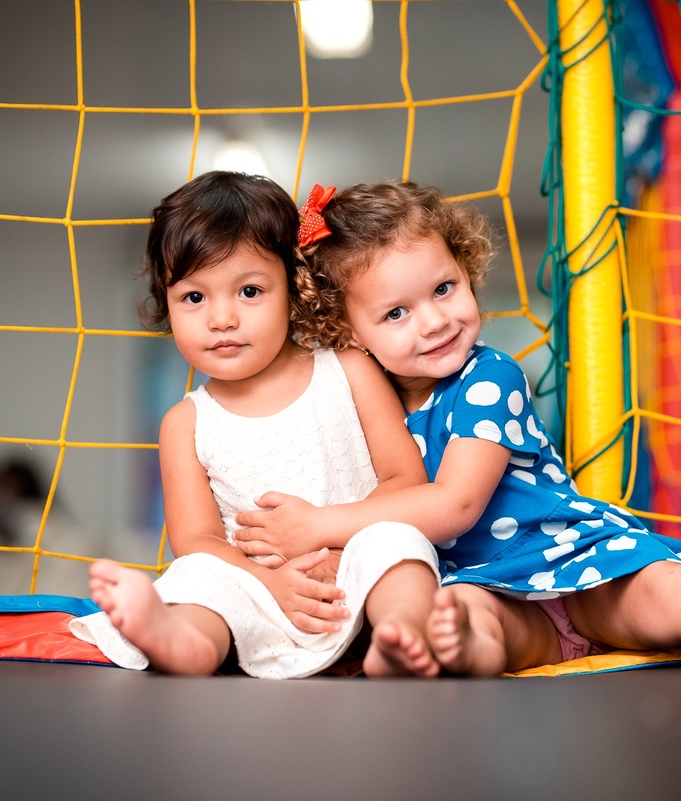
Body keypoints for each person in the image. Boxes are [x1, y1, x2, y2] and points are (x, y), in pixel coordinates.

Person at [234, 180, 681, 675]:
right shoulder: (365, 410)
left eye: (444, 288)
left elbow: (453, 505)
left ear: (468, 272)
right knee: (467, 621)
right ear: (347, 333)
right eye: (396, 312)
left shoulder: (488, 377)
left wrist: (315, 525)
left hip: (578, 564)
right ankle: (430, 651)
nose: (434, 321)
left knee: (673, 595)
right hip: (484, 588)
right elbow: (377, 513)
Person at [69, 172, 442, 679]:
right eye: (194, 298)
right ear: (166, 303)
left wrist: (339, 549)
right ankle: (186, 641)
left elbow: (406, 482)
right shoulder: (185, 422)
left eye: (248, 290)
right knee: (196, 574)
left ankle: (404, 632)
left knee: (399, 543)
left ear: (292, 287)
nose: (221, 318)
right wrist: (271, 585)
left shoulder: (350, 369)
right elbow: (197, 540)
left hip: (352, 577)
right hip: (257, 594)